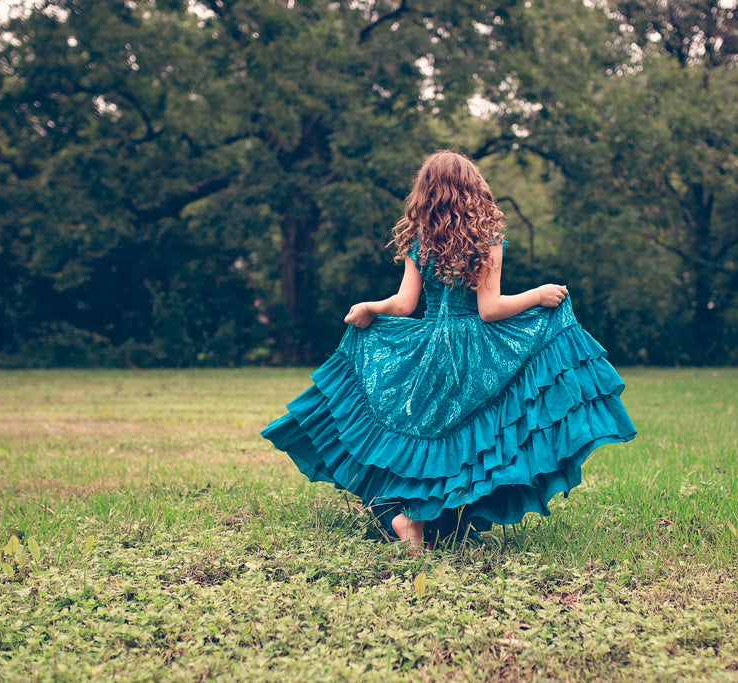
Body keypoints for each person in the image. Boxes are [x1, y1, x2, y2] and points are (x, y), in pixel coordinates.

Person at [261, 150, 636, 549]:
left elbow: (405, 305)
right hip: (471, 350)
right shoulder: (487, 240)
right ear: (472, 189)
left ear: (426, 194)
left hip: (429, 349)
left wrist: (371, 307)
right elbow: (490, 310)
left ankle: (423, 523)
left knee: (433, 435)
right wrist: (537, 295)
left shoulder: (420, 241)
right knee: (467, 436)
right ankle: (414, 523)